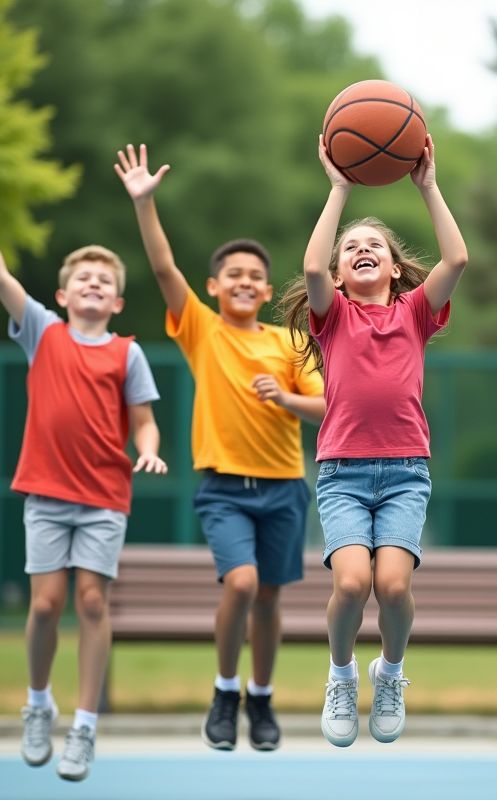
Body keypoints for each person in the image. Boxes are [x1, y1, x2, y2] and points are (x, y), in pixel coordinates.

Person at [0, 167, 166, 782]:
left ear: (117, 301)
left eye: (105, 280)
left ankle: (86, 727)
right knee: (46, 605)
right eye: (83, 279)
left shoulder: (129, 352)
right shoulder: (42, 331)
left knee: (92, 601)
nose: (94, 285)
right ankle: (38, 703)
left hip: (104, 497)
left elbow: (145, 421)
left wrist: (147, 447)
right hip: (45, 492)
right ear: (65, 295)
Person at [114, 144, 326, 752]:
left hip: (284, 486)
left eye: (255, 276)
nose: (244, 281)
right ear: (215, 286)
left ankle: (261, 698)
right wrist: (145, 203)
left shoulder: (290, 341)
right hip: (224, 487)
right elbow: (162, 270)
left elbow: (328, 406)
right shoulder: (202, 330)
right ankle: (225, 689)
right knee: (239, 584)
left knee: (267, 597)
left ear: (265, 290)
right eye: (232, 274)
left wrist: (285, 401)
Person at [278, 133, 468, 747]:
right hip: (342, 472)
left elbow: (457, 260)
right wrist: (339, 188)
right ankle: (340, 675)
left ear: (392, 267)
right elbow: (308, 266)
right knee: (353, 584)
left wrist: (428, 187)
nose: (361, 250)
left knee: (392, 587)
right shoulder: (333, 317)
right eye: (350, 248)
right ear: (338, 274)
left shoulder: (415, 312)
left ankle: (390, 671)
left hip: (407, 471)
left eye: (374, 247)